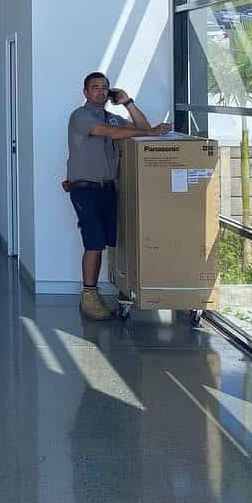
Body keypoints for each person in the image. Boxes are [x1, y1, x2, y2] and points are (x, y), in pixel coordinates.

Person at [66, 72, 171, 319]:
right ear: (85, 92)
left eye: (105, 88)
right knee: (93, 242)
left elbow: (143, 129)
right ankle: (89, 296)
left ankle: (95, 294)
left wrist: (127, 102)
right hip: (85, 189)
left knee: (106, 241)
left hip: (107, 188)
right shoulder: (80, 116)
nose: (101, 92)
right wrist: (153, 132)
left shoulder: (113, 118)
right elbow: (111, 134)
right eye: (95, 88)